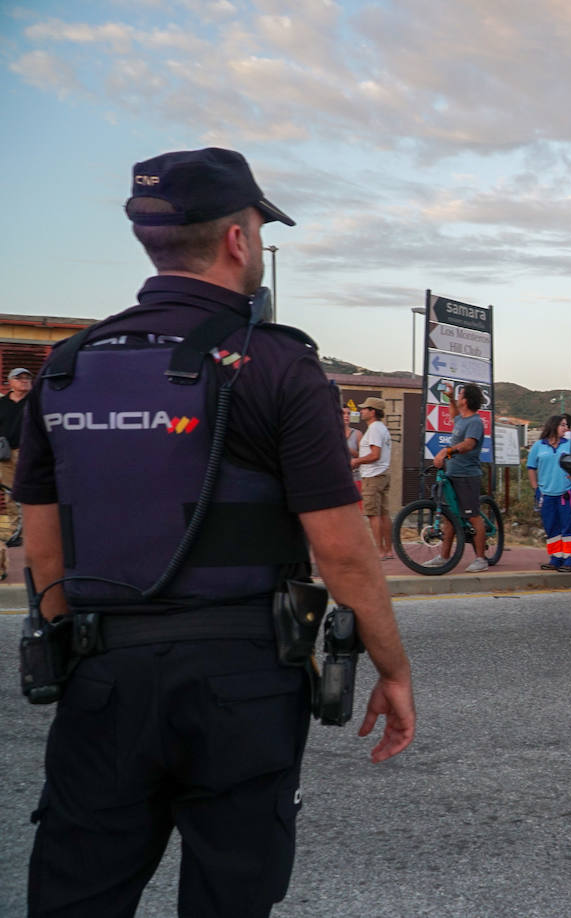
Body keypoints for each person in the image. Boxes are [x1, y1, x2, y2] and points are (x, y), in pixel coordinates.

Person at [19, 147, 415, 917]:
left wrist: (81, 655)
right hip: (242, 682)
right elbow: (341, 551)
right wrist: (392, 669)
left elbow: (43, 551)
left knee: (75, 895)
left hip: (104, 676)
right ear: (238, 239)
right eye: (260, 232)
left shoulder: (66, 368)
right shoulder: (279, 365)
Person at [427, 382, 489, 572]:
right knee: (450, 518)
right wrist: (451, 397)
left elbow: (469, 444)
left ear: (467, 400)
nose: (458, 397)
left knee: (473, 516)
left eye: (460, 394)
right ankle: (444, 557)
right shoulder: (462, 419)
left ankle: (481, 559)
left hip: (467, 475)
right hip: (452, 474)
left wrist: (447, 451)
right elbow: (453, 414)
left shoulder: (475, 422)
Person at [527, 414, 571, 571]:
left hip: (565, 493)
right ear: (553, 426)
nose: (566, 428)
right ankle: (556, 558)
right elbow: (531, 467)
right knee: (551, 527)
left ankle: (570, 560)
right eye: (563, 425)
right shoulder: (538, 446)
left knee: (568, 526)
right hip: (546, 494)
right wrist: (535, 488)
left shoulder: (570, 445)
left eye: (566, 425)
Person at [351, 396, 393, 559]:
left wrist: (357, 461)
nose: (361, 411)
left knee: (373, 514)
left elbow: (375, 455)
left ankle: (379, 551)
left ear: (373, 412)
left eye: (364, 408)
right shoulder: (382, 428)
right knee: (384, 514)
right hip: (382, 474)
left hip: (373, 476)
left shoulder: (374, 429)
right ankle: (388, 550)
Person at [0, 366, 32, 545]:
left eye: (27, 378)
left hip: (29, 453)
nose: (24, 381)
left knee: (31, 491)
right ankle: (15, 533)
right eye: (19, 378)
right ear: (10, 382)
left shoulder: (35, 402)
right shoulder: (2, 403)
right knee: (10, 493)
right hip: (6, 455)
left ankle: (32, 532)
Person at [343, 406, 362, 498]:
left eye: (348, 413)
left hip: (354, 477)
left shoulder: (357, 434)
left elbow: (363, 457)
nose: (346, 416)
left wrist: (348, 449)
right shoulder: (331, 433)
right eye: (343, 413)